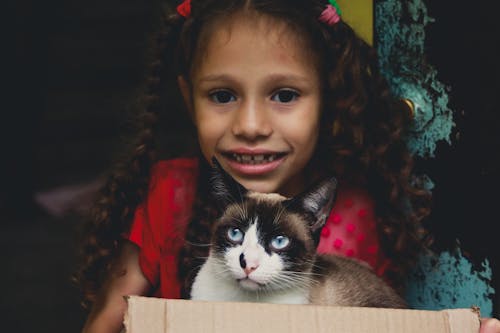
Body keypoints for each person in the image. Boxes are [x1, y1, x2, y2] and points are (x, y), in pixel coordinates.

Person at [75, 0, 500, 332]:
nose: (251, 126)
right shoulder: (172, 191)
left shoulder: (356, 214)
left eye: (284, 95)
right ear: (187, 98)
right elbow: (107, 321)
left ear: (328, 97)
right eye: (223, 95)